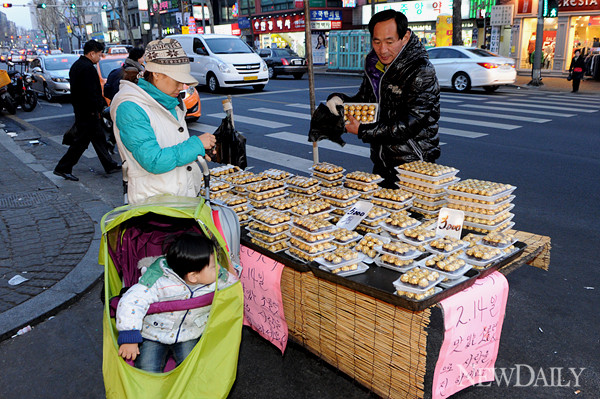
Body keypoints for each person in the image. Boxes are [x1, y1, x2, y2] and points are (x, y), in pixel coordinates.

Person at [325, 9, 440, 188]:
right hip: (382, 160)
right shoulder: (374, 64)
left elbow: (411, 123)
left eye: (389, 41)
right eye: (376, 42)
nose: (382, 49)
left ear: (405, 37)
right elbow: (365, 101)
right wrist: (340, 100)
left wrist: (363, 131)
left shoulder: (420, 70)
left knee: (409, 215)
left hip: (414, 165)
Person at [110, 38, 216, 205]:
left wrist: (197, 151)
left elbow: (172, 144)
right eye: (177, 80)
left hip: (181, 198)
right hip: (155, 205)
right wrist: (196, 145)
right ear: (157, 74)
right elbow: (153, 160)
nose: (182, 87)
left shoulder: (170, 101)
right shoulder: (130, 107)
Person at [116, 232, 238, 373]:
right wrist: (130, 336)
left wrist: (231, 265)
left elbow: (234, 285)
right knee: (147, 368)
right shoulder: (158, 281)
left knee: (192, 368)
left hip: (190, 332)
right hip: (154, 333)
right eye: (212, 266)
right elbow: (131, 301)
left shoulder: (216, 278)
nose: (218, 268)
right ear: (193, 276)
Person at [53, 40, 121, 181]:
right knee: (81, 143)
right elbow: (91, 92)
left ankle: (109, 164)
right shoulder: (87, 68)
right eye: (99, 54)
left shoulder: (78, 65)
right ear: (92, 53)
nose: (100, 57)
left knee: (99, 138)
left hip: (83, 110)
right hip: (88, 112)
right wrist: (99, 107)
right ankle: (63, 167)